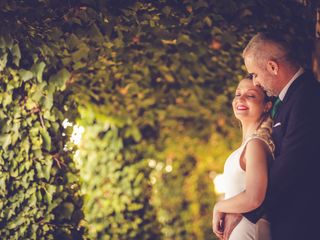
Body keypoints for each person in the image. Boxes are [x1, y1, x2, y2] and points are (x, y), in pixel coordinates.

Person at [218, 32, 320, 240]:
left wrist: (245, 209)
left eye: (254, 74)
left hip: (302, 222)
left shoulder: (306, 96)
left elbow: (293, 164)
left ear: (273, 67)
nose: (256, 81)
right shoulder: (289, 101)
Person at [212, 77, 274, 240]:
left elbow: (254, 198)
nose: (241, 98)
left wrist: (219, 207)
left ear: (266, 106)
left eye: (251, 95)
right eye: (238, 93)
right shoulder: (248, 145)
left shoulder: (256, 145)